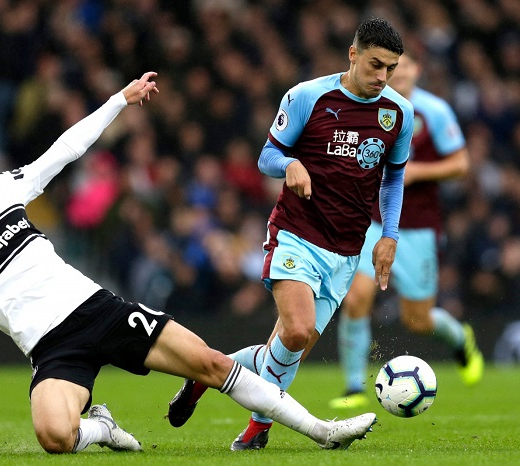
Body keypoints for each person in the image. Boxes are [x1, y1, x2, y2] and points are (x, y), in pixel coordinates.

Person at [0, 72, 378, 454]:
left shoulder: (4, 192)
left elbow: (66, 149)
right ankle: (103, 429)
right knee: (54, 439)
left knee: (212, 365)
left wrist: (119, 100)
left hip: (97, 311)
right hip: (52, 348)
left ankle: (321, 431)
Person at [167, 18, 414, 450]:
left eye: (390, 69)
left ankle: (204, 374)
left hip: (346, 248)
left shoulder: (398, 114)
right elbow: (266, 155)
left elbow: (393, 178)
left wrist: (388, 235)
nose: (382, 77)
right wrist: (290, 164)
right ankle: (257, 430)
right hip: (296, 233)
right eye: (375, 65)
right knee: (296, 332)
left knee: (282, 351)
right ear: (353, 54)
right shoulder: (307, 96)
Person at [328, 52, 483, 410]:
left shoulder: (435, 111)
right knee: (355, 299)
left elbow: (461, 164)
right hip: (374, 220)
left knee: (417, 319)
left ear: (416, 72)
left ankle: (461, 338)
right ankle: (354, 386)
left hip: (417, 227)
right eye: (387, 67)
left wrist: (417, 172)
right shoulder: (368, 106)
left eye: (402, 66)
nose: (395, 73)